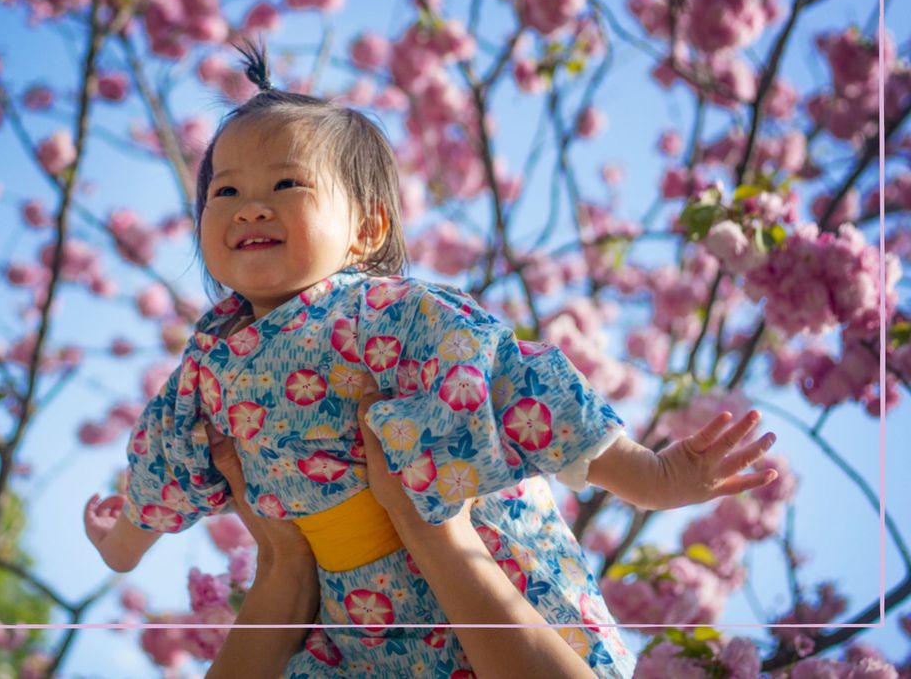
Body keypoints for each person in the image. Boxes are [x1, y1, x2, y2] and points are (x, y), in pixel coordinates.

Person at [84, 39, 778, 677]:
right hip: (351, 618)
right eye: (226, 191)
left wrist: (649, 476)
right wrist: (122, 544)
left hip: (478, 552)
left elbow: (515, 382)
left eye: (287, 186)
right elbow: (168, 463)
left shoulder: (390, 311)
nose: (250, 208)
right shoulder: (208, 360)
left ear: (367, 227)